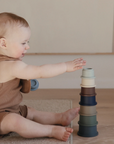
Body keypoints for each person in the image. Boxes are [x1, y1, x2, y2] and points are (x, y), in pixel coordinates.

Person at [0, 12, 86, 141]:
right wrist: (65, 66)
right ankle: (50, 130)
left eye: (27, 42)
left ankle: (60, 117)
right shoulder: (9, 66)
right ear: (3, 44)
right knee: (15, 121)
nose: (28, 46)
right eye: (23, 43)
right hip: (3, 116)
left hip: (11, 109)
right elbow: (40, 71)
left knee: (31, 112)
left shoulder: (11, 63)